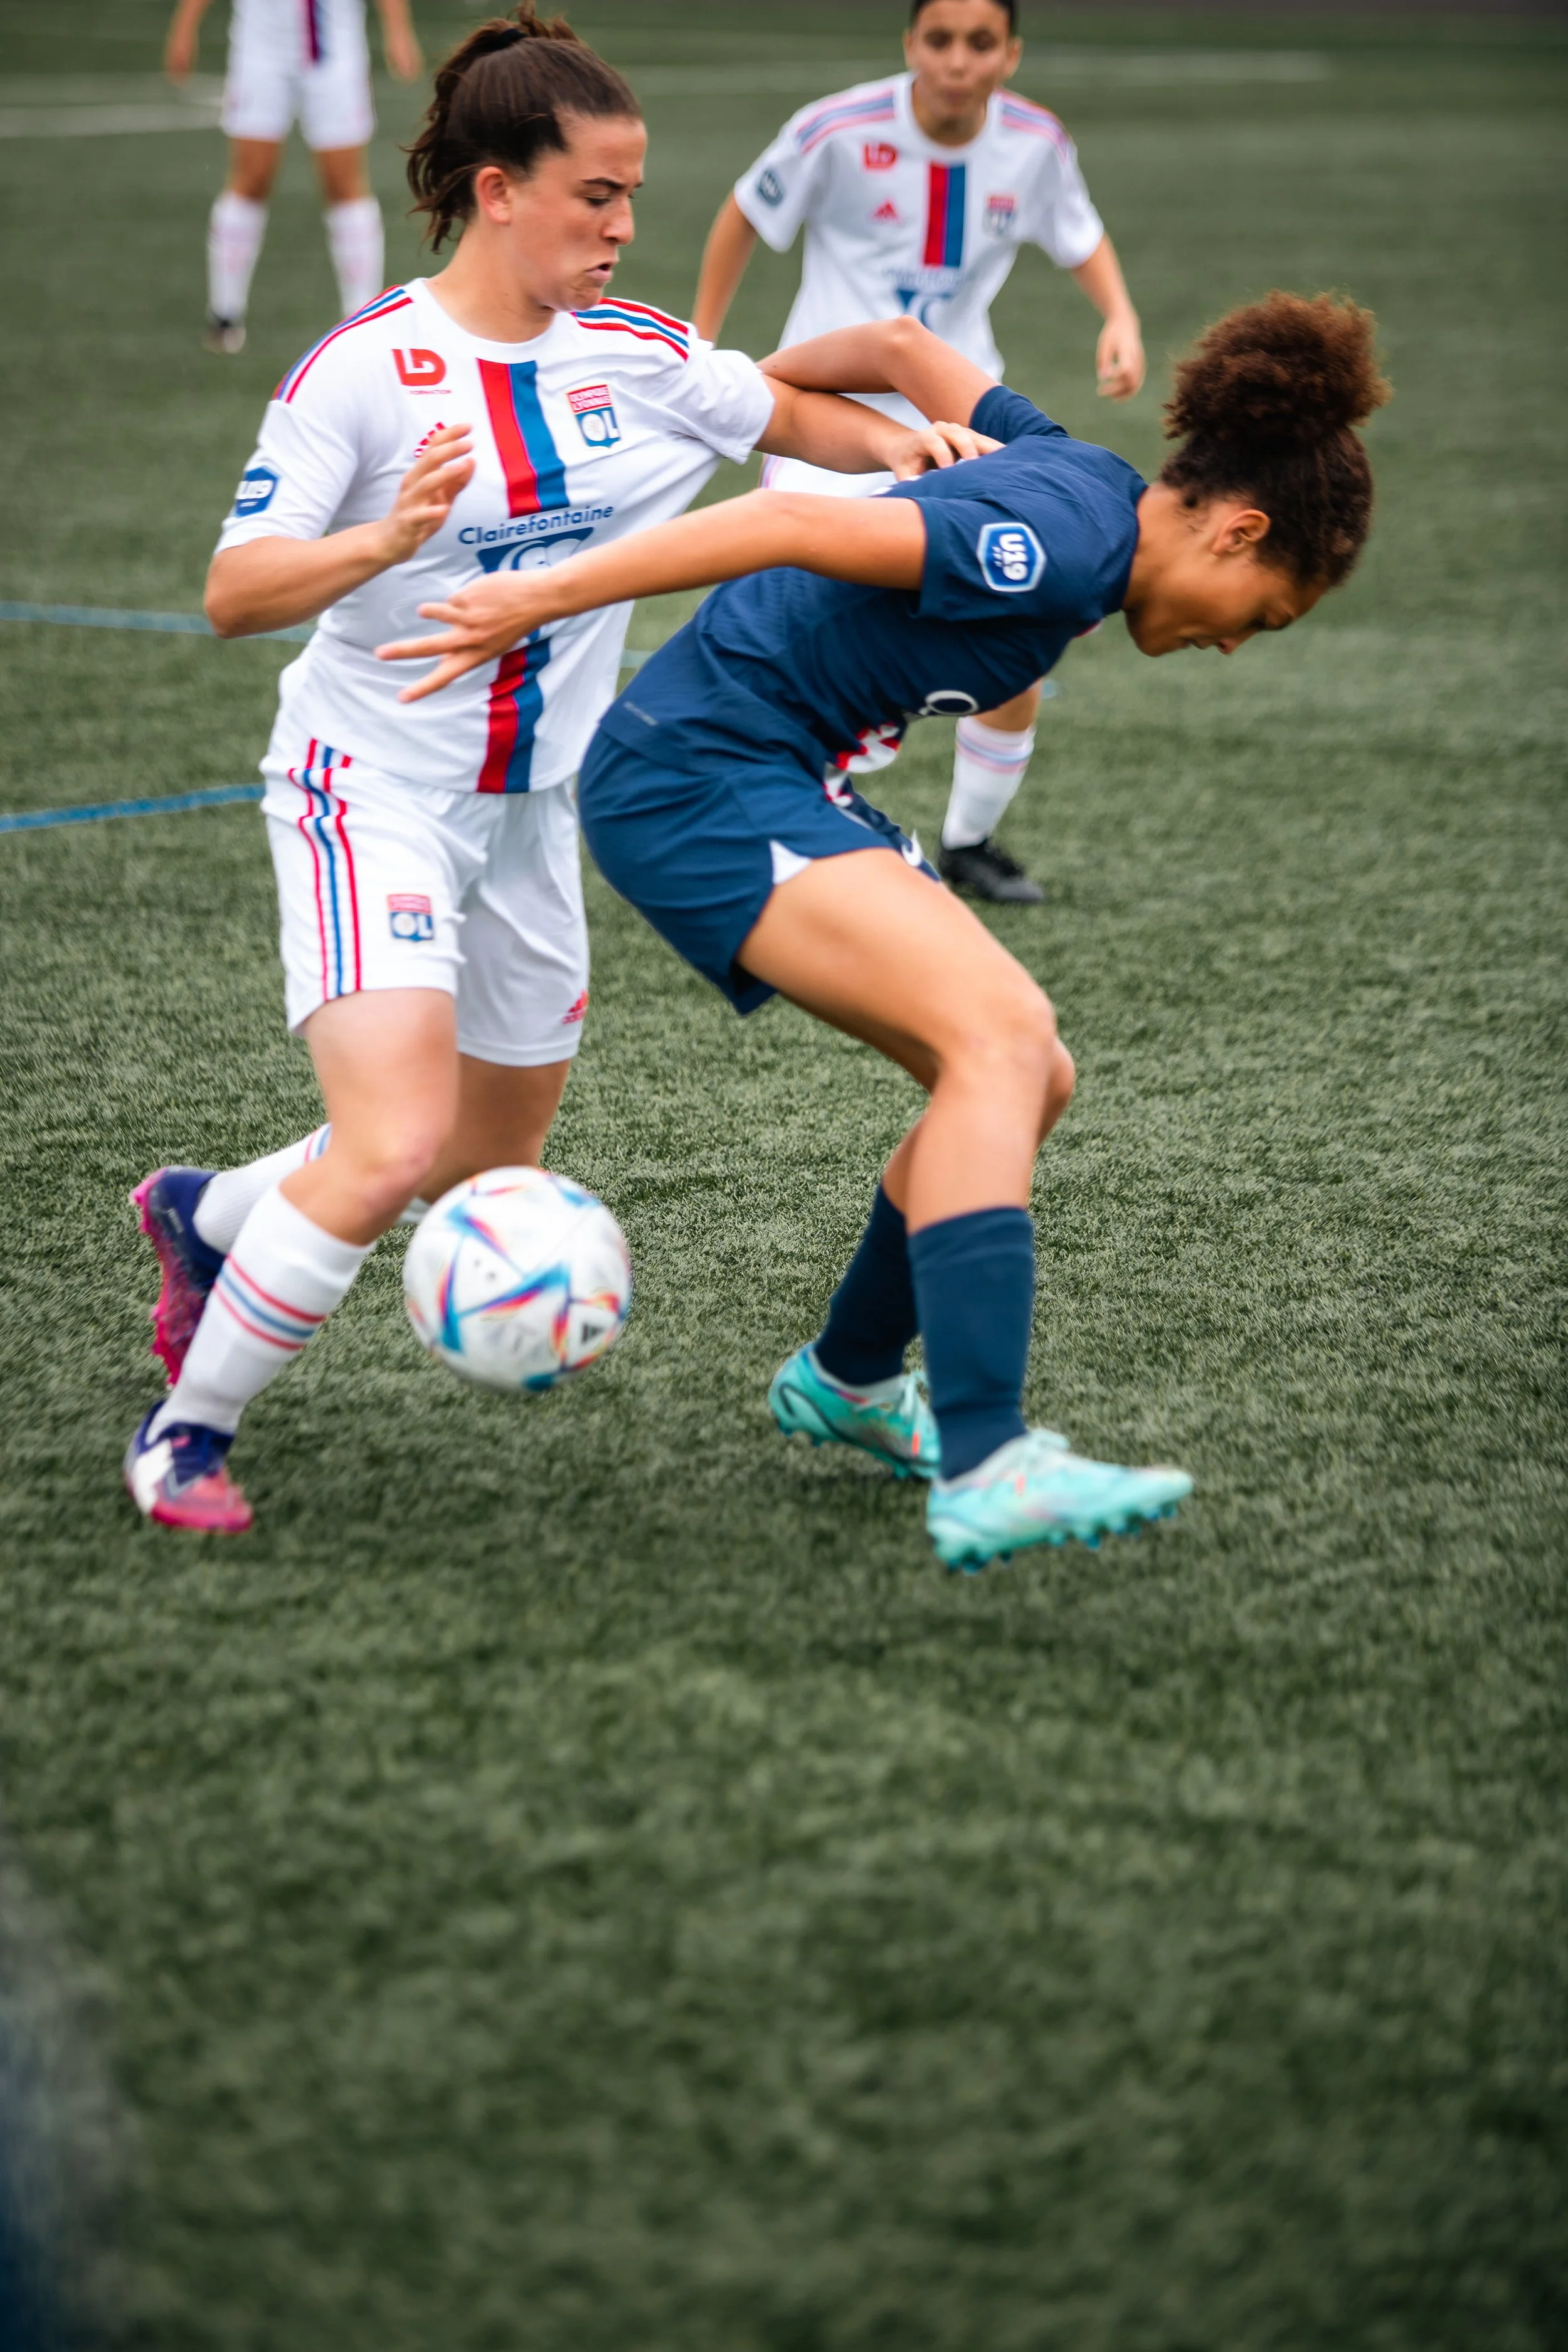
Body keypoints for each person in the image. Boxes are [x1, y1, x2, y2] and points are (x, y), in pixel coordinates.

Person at [124, 6, 993, 1536]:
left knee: (472, 1157)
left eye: (633, 196)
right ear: (495, 188)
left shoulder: (636, 356)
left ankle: (206, 1214)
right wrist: (380, 544)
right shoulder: (365, 371)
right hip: (366, 790)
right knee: (391, 1141)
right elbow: (233, 591)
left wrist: (939, 449)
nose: (624, 227)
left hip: (537, 816)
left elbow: (792, 419)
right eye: (597, 194)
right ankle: (184, 1432)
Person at [381, 295, 1389, 1572]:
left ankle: (849, 1380)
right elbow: (788, 519)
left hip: (769, 774)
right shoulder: (1064, 538)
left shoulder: (1078, 478)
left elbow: (901, 350)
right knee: (1003, 1039)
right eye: (1264, 611)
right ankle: (985, 1460)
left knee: (1032, 1074)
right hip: (698, 775)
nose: (1236, 642)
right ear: (1237, 529)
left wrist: (742, 398)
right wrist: (552, 582)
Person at [692, 0, 1145, 908]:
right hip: (832, 408)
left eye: (981, 43)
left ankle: (971, 839)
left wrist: (1120, 316)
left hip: (969, 414)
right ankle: (755, 810)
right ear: (910, 47)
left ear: (1010, 54)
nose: (958, 61)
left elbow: (1079, 231)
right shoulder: (837, 130)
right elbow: (744, 210)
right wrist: (700, 348)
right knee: (794, 612)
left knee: (1021, 625)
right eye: (939, 40)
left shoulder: (1037, 142)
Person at [164, 0, 425, 352]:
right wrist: (185, 26)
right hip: (260, 48)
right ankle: (225, 313)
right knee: (251, 178)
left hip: (335, 47)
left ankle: (361, 319)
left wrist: (398, 29)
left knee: (345, 184)